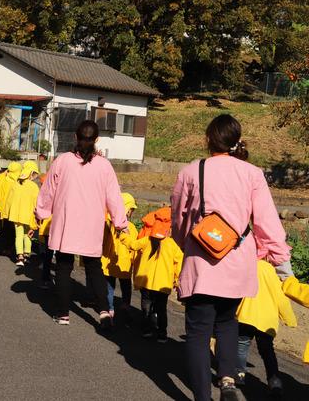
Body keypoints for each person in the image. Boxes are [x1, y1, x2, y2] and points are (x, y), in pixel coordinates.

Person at [171, 114, 291, 401]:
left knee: (199, 331)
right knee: (227, 323)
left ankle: (202, 396)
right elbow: (266, 220)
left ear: (208, 139)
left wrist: (187, 241)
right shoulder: (252, 173)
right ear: (236, 140)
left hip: (202, 261)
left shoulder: (191, 171)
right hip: (238, 260)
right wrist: (278, 255)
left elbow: (179, 217)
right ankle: (227, 381)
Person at [36, 120, 127, 327]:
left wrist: (41, 212)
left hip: (66, 223)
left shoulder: (63, 161)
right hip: (92, 226)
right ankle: (104, 311)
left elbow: (48, 190)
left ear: (75, 137)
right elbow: (114, 196)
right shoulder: (104, 166)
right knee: (94, 269)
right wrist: (120, 222)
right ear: (97, 140)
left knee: (63, 267)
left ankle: (63, 313)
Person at [120, 207, 183, 342]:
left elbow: (132, 245)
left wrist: (123, 235)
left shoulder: (147, 240)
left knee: (146, 306)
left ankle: (147, 330)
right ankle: (162, 334)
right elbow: (180, 262)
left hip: (146, 282)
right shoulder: (172, 244)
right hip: (163, 284)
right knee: (161, 309)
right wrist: (176, 280)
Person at [235, 259, 297, 395]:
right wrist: (290, 318)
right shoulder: (271, 271)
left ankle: (239, 375)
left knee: (242, 344)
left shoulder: (247, 264)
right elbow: (281, 298)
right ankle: (274, 381)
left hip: (247, 314)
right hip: (267, 320)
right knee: (267, 351)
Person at [101, 193, 138, 321]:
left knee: (109, 286)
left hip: (109, 262)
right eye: (131, 210)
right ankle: (125, 305)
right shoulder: (131, 227)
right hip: (124, 263)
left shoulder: (109, 225)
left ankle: (110, 308)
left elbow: (103, 241)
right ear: (127, 210)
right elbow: (134, 245)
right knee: (126, 286)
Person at [5, 161, 40, 267]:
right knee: (27, 235)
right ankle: (27, 254)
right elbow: (37, 202)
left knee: (18, 235)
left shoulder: (16, 183)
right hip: (29, 215)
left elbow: (9, 200)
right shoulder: (34, 186)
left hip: (16, 214)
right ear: (31, 173)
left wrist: (6, 213)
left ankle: (19, 256)